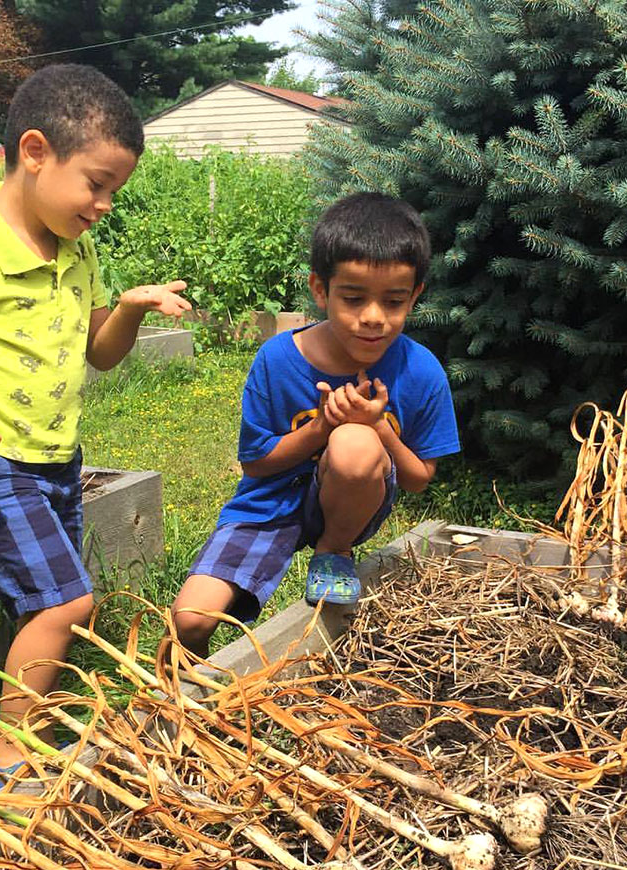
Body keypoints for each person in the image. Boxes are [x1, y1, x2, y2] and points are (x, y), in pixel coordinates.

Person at [0, 64, 190, 789]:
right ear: (35, 152)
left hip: (58, 459)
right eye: (96, 183)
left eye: (116, 190)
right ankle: (9, 754)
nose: (106, 204)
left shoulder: (75, 249)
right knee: (66, 600)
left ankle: (31, 712)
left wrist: (130, 310)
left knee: (46, 601)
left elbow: (100, 355)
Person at [169, 192, 460, 660]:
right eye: (353, 298)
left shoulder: (420, 370)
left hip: (351, 501)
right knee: (190, 620)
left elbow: (419, 479)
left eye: (393, 301)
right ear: (320, 290)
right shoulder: (279, 359)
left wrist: (379, 428)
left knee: (355, 442)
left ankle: (333, 550)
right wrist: (320, 426)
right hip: (269, 503)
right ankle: (185, 693)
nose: (373, 317)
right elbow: (257, 465)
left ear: (416, 295)